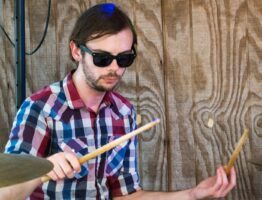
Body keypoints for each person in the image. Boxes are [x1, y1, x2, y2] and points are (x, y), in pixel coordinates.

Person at [0, 3, 236, 200]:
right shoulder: (40, 108)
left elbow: (128, 196)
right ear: (76, 51)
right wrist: (46, 166)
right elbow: (6, 192)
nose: (115, 68)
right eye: (102, 58)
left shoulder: (123, 112)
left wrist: (193, 194)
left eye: (124, 58)